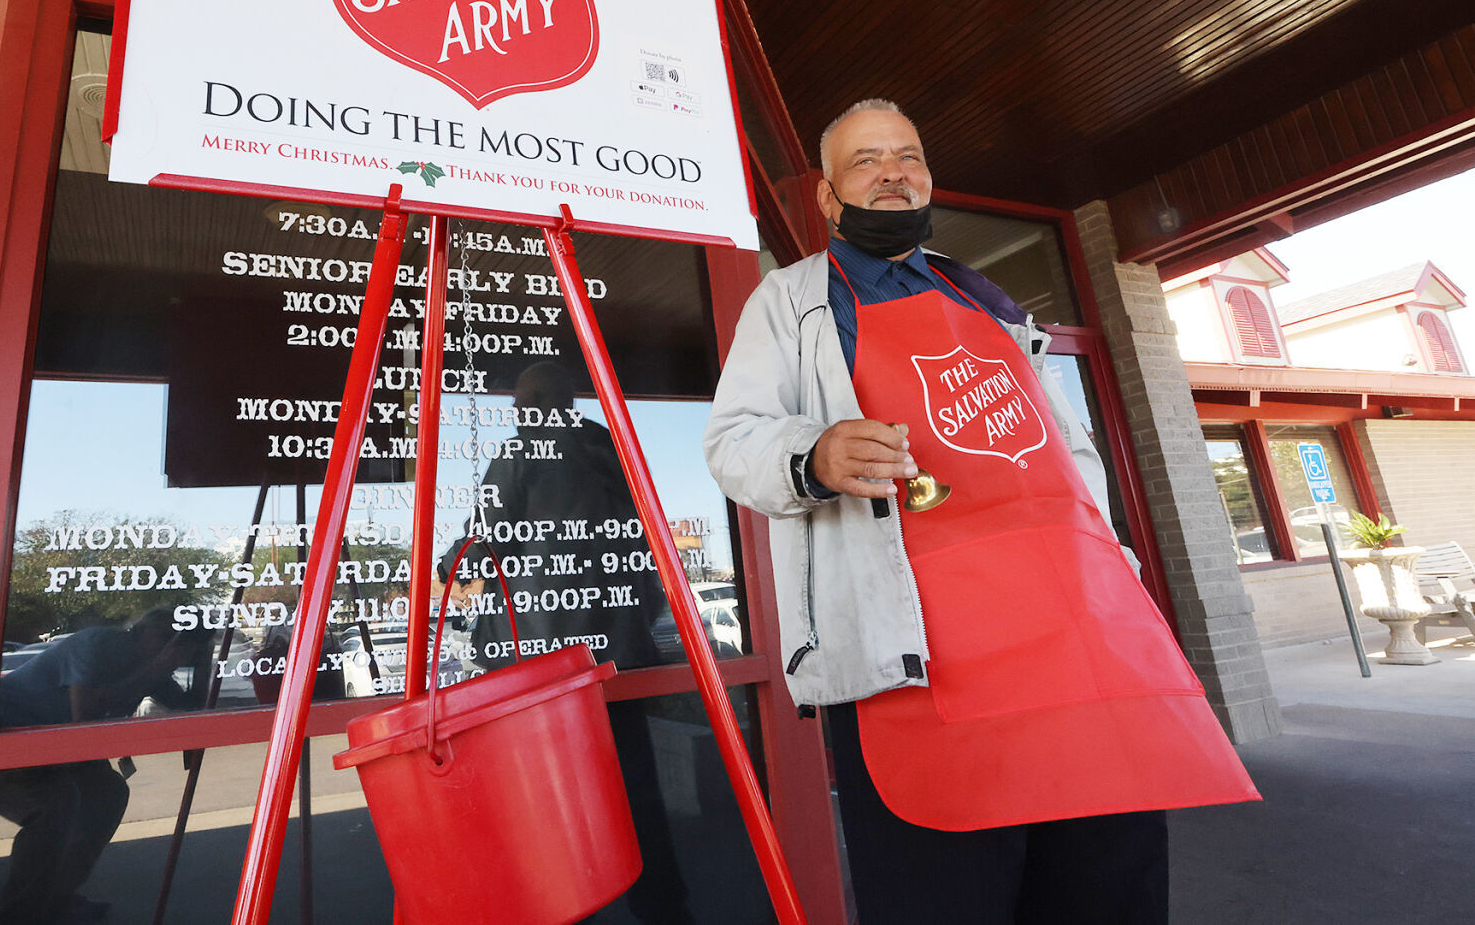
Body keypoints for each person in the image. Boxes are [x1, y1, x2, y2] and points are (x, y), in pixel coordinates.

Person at [703, 100, 1257, 924]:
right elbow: (732, 440)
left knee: (1110, 890)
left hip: (1081, 646)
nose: (893, 171)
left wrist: (1118, 574)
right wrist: (814, 456)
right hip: (921, 667)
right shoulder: (788, 302)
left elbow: (1070, 459)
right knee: (948, 896)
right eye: (866, 160)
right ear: (826, 197)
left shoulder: (987, 299)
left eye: (909, 154)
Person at [439, 361, 691, 925]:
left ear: (528, 406)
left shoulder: (522, 456)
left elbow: (488, 540)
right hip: (621, 653)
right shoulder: (614, 453)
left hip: (544, 661)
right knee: (635, 787)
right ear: (573, 400)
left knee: (551, 801)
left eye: (519, 402)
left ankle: (568, 905)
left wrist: (447, 564)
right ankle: (663, 905)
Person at [0, 609, 208, 924]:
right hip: (8, 735)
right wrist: (162, 663)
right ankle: (17, 915)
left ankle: (58, 896)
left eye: (180, 641)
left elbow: (191, 707)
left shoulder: (149, 666)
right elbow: (85, 712)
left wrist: (202, 663)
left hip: (61, 748)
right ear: (139, 629)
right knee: (55, 807)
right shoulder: (97, 644)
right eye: (164, 636)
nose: (168, 646)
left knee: (109, 793)